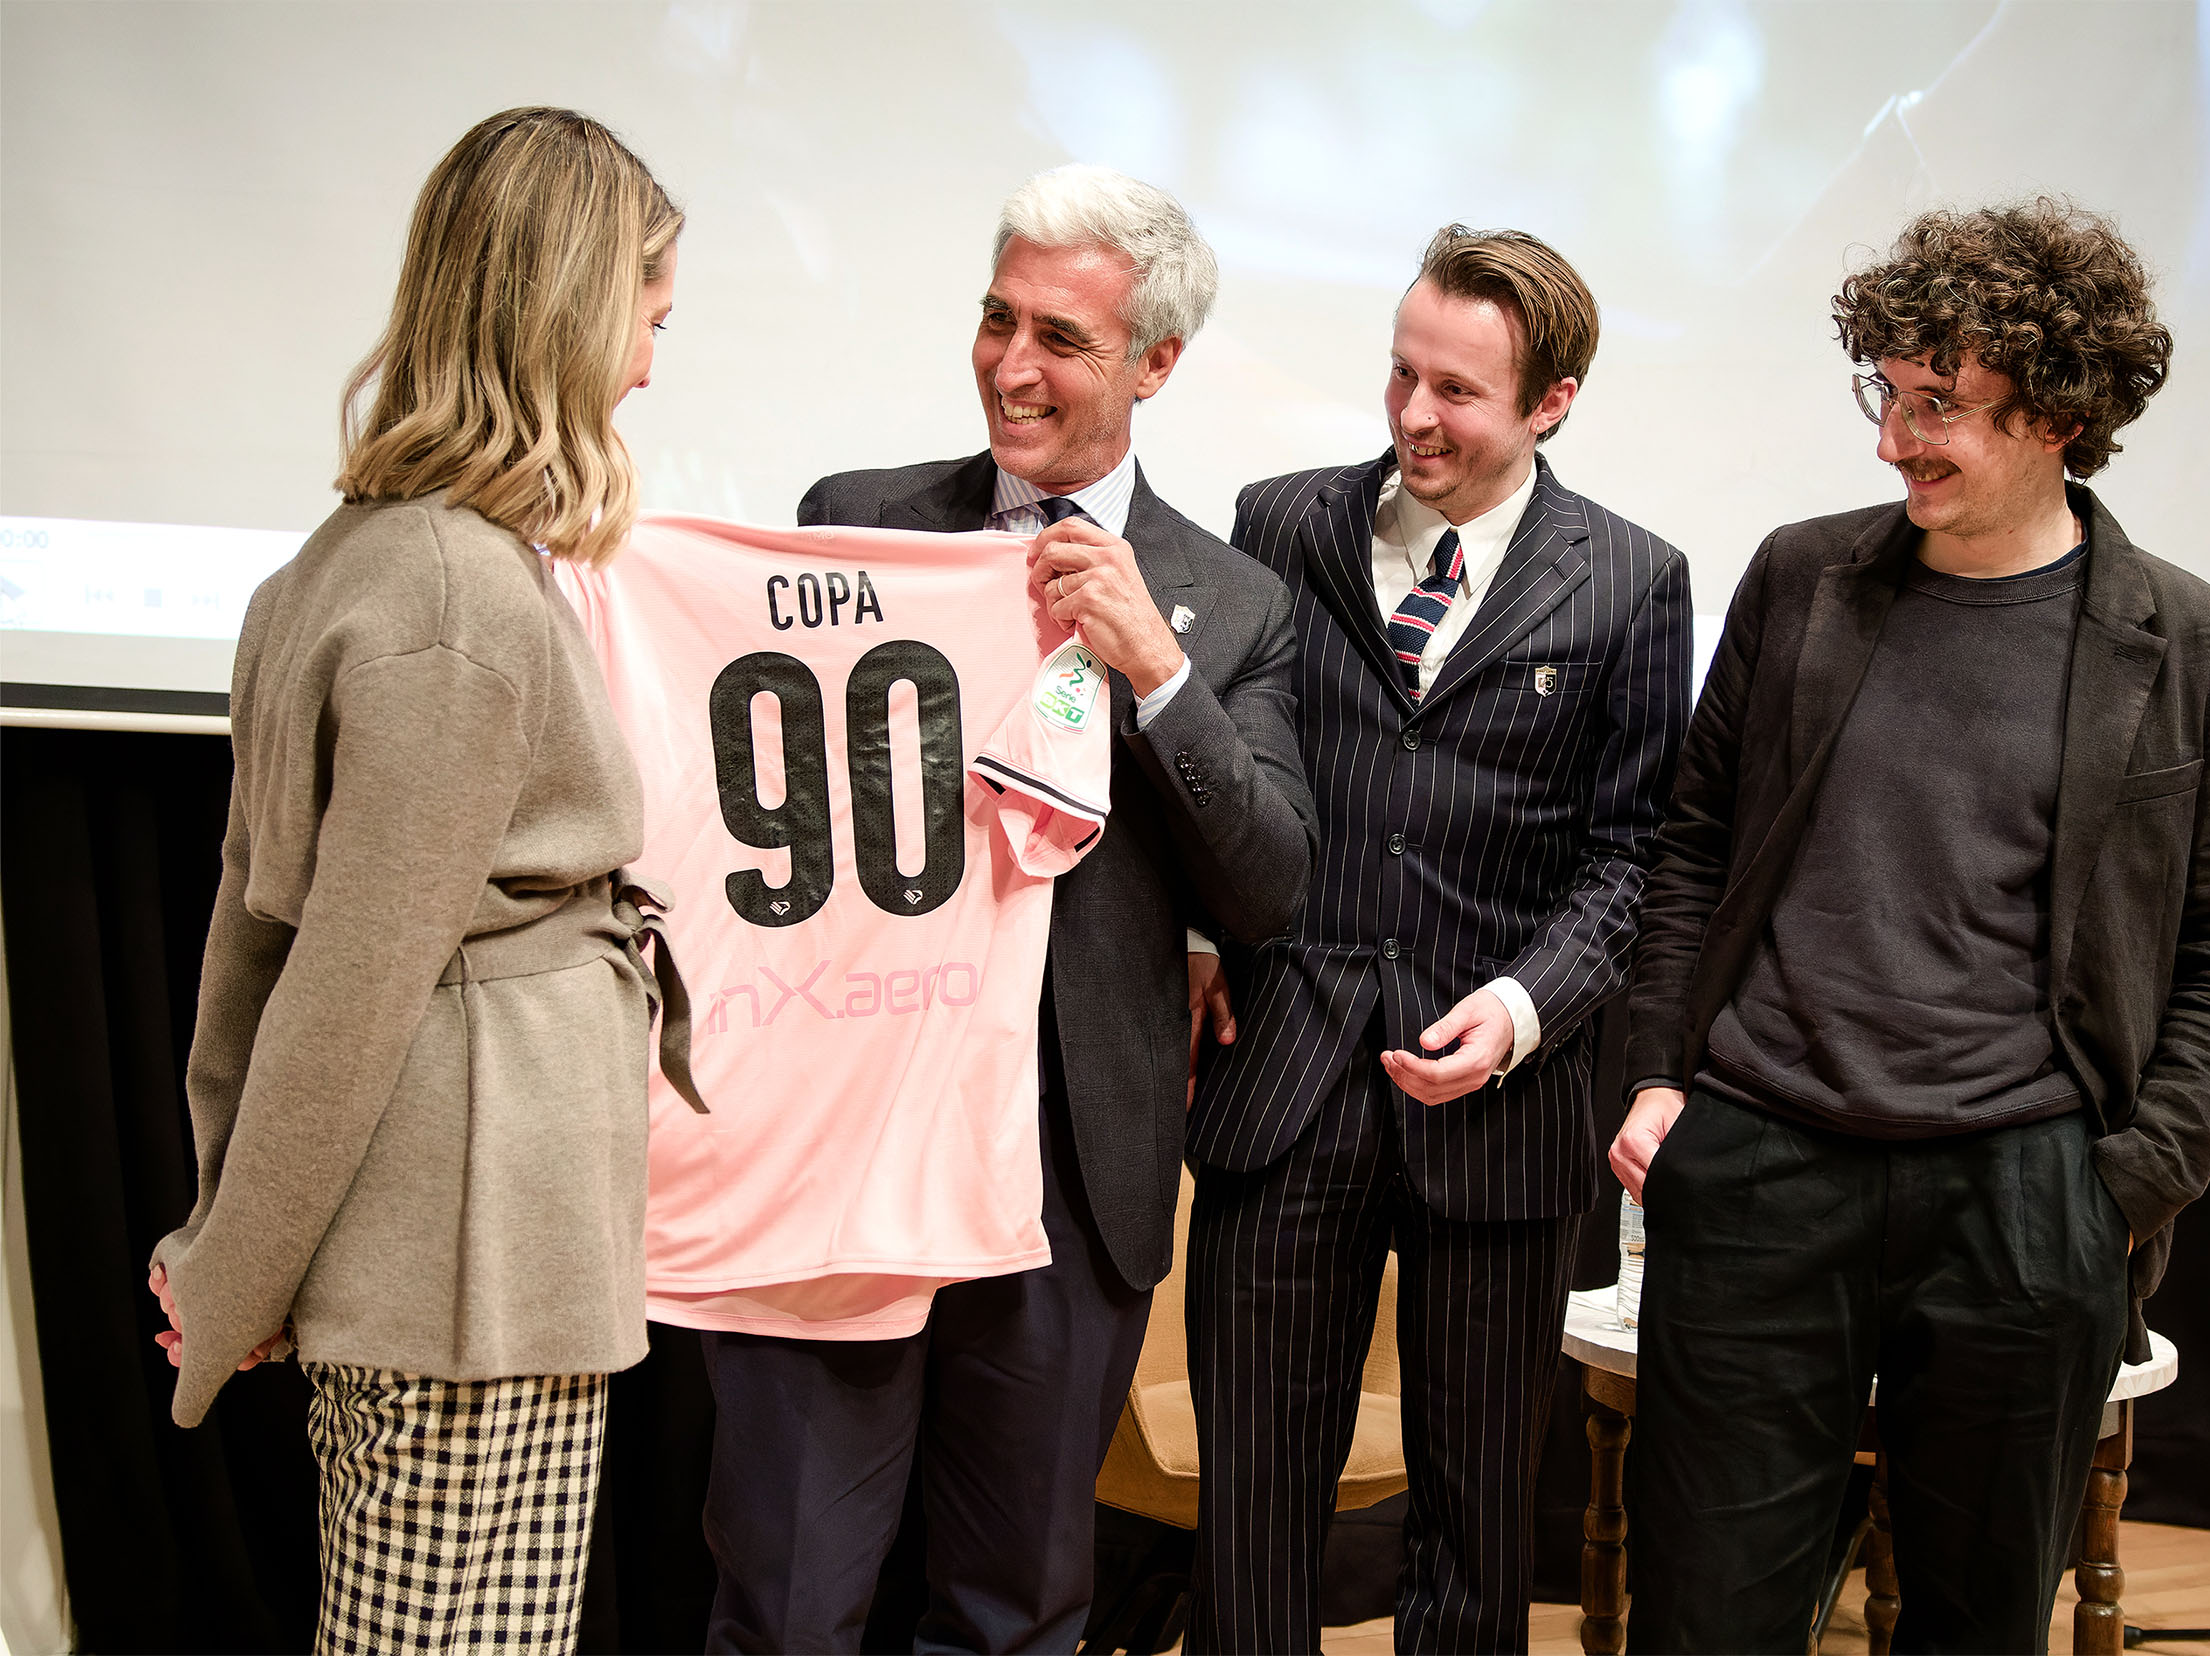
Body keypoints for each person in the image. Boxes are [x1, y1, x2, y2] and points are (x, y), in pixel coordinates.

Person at [1611, 199, 2210, 1654]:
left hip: (2026, 1199)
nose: (1893, 440)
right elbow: (1694, 846)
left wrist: (2122, 1191)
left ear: (2059, 416)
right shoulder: (1801, 579)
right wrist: (1663, 1079)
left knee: (1979, 1626)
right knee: (1703, 1622)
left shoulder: (2202, 650)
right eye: (1886, 393)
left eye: (1940, 405)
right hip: (1761, 1167)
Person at [713, 164, 1312, 1652]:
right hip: (848, 1136)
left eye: (1061, 337)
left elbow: (1268, 882)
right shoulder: (858, 521)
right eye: (998, 319)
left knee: (1013, 1613)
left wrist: (1157, 673)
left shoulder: (1230, 604)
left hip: (1068, 1159)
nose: (1011, 365)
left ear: (1155, 363)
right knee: (788, 1597)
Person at [146, 107, 689, 1651]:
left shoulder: (337, 565)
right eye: (647, 322)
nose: (648, 370)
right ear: (567, 312)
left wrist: (232, 1232)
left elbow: (252, 946)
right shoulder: (456, 595)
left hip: (463, 1254)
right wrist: (237, 1272)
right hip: (472, 1266)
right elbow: (345, 985)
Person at [1188, 225, 1692, 1652]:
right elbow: (1229, 777)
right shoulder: (1279, 523)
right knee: (1252, 1515)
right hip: (1284, 1074)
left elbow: (1633, 858)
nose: (1413, 413)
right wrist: (1200, 939)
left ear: (1552, 402)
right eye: (1402, 373)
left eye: (1458, 391)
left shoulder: (1632, 578)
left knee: (1475, 1531)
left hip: (1506, 1106)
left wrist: (1525, 1008)